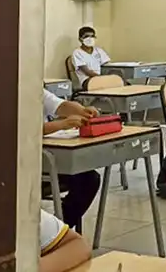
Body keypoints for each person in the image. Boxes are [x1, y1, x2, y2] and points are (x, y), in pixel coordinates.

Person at [42, 90, 101, 232]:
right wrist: (62, 124)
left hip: (48, 157)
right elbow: (24, 130)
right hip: (22, 163)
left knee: (88, 179)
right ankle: (55, 232)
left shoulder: (35, 88)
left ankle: (60, 228)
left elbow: (61, 105)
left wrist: (82, 111)